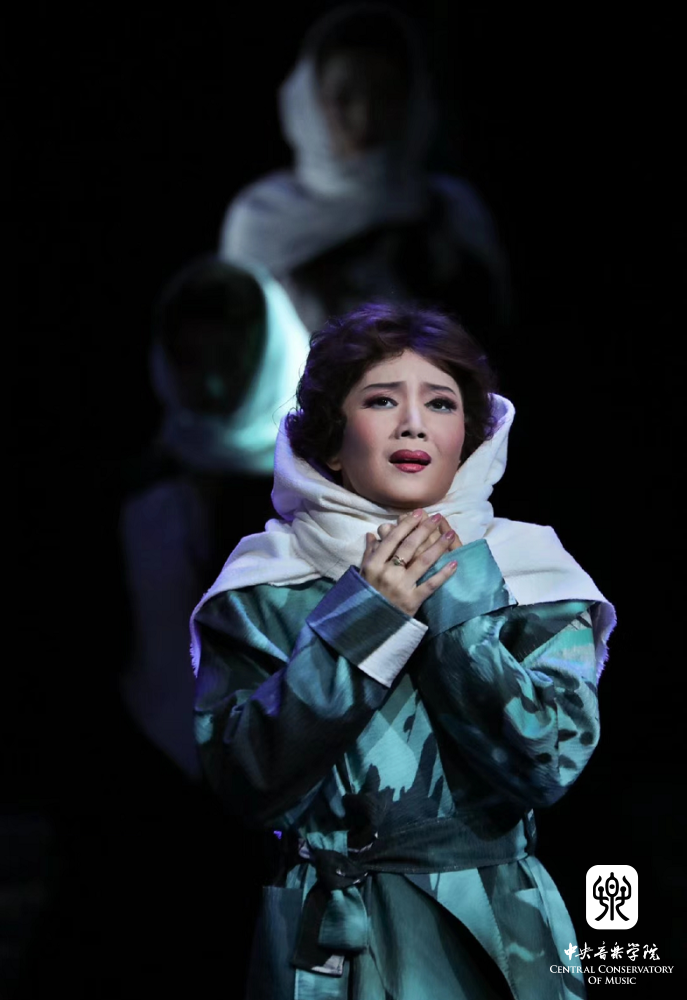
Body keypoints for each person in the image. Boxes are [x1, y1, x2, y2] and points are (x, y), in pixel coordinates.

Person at [191, 303, 615, 999]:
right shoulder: (262, 586)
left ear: (468, 440)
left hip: (491, 925)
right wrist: (366, 616)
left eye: (440, 403)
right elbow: (245, 782)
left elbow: (547, 764)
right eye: (381, 400)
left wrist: (444, 597)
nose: (413, 423)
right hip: (326, 938)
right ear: (331, 442)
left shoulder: (530, 574)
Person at [120, 256, 309, 778]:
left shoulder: (325, 489)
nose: (213, 386)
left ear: (270, 354)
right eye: (190, 360)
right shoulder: (142, 490)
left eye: (230, 359)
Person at [219, 3, 511, 340]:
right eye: (344, 98)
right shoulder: (264, 219)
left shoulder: (455, 211)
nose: (365, 117)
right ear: (311, 102)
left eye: (385, 95)